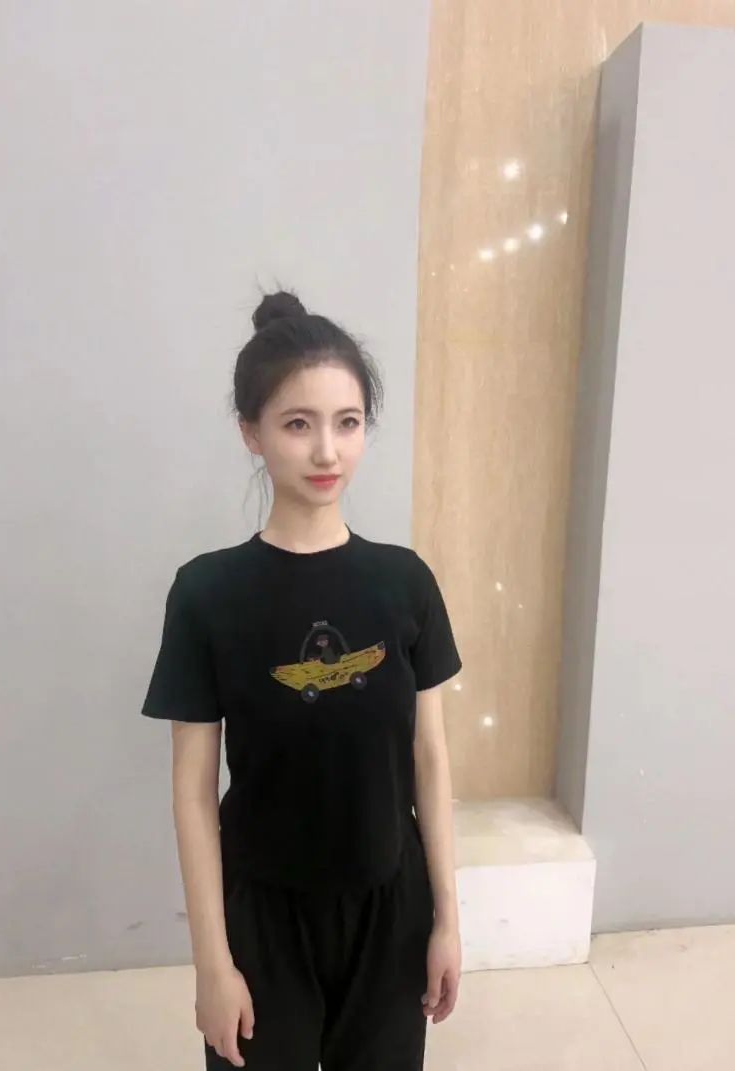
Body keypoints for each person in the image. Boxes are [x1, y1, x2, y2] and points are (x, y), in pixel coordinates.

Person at [141, 289, 464, 1071]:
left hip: (390, 909)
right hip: (261, 917)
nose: (327, 451)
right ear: (250, 432)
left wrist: (447, 918)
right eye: (297, 424)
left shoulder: (405, 583)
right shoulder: (207, 593)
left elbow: (429, 758)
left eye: (347, 422)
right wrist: (212, 963)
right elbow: (192, 792)